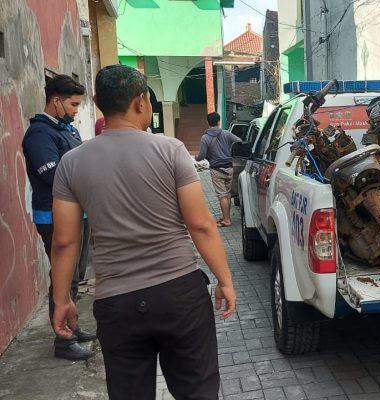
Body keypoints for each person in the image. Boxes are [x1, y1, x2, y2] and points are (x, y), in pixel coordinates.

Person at [50, 64, 237, 399]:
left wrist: (61, 299)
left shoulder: (72, 163)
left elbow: (65, 242)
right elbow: (200, 223)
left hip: (116, 303)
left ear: (96, 101)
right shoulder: (170, 150)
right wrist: (224, 279)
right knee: (198, 392)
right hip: (179, 295)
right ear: (140, 102)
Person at [22, 74, 96, 360]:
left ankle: (72, 325)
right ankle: (63, 341)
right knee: (63, 278)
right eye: (74, 105)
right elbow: (53, 174)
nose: (77, 111)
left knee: (75, 276)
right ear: (56, 102)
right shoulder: (40, 134)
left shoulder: (67, 130)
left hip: (79, 211)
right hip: (54, 216)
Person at [195, 112, 241, 227]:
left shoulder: (205, 137)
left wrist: (196, 157)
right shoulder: (226, 133)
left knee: (222, 195)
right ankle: (227, 217)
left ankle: (226, 220)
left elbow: (201, 156)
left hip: (217, 170)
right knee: (227, 194)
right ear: (219, 121)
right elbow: (239, 141)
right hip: (229, 168)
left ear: (208, 123)